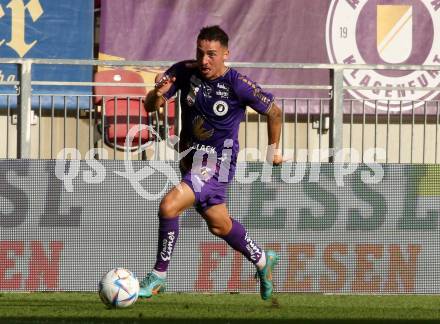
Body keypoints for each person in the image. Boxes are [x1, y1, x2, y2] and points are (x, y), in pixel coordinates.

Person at [141, 25, 283, 300]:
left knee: (169, 206)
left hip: (216, 164)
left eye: (211, 54)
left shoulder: (238, 84)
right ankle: (264, 260)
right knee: (219, 224)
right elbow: (150, 106)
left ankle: (158, 276)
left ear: (226, 54)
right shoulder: (183, 71)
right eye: (200, 53)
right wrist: (157, 90)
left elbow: (274, 111)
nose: (204, 60)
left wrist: (273, 151)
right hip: (190, 161)